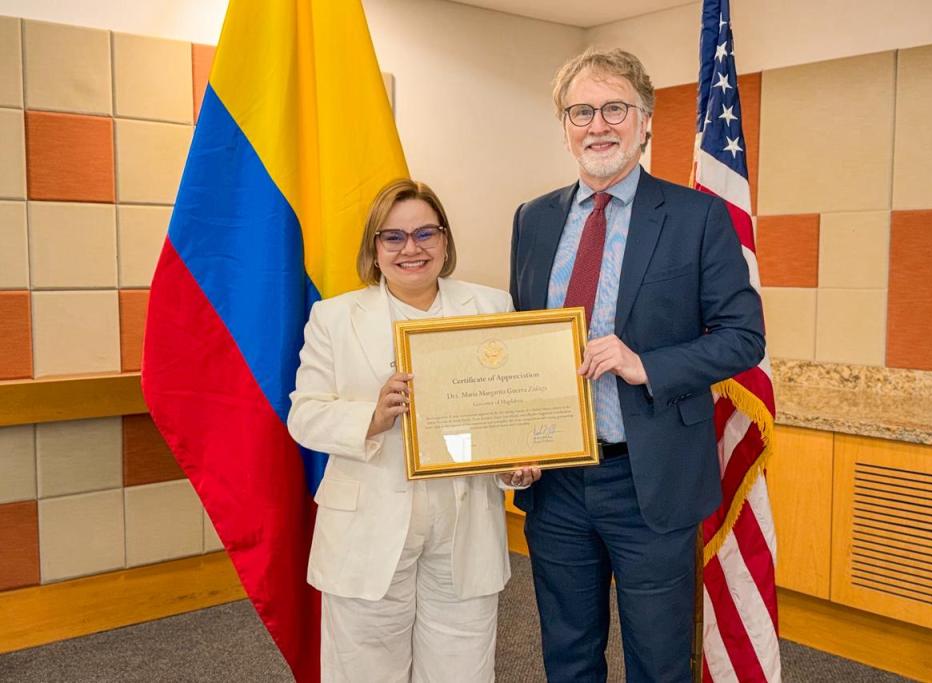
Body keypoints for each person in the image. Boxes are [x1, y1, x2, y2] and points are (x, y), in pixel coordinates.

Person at [509, 48, 765, 682]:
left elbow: (743, 337)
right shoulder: (533, 219)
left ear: (646, 120)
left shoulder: (695, 216)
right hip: (557, 482)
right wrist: (510, 437)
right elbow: (521, 342)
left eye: (615, 108)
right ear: (564, 126)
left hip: (649, 481)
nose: (598, 125)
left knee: (658, 662)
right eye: (581, 111)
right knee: (567, 655)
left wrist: (645, 363)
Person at [288, 178, 540, 683]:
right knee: (364, 669)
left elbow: (512, 411)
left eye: (426, 233)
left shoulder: (492, 307)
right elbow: (305, 414)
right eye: (394, 237)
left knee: (462, 667)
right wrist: (372, 416)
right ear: (374, 248)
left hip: (464, 521)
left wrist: (516, 467)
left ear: (445, 241)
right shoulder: (334, 318)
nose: (411, 249)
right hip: (369, 525)